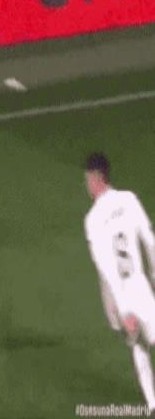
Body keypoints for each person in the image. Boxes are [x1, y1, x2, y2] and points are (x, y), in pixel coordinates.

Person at [84, 152, 155, 413]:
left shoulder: (92, 220)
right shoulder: (129, 199)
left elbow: (106, 270)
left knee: (138, 345)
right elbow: (150, 240)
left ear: (97, 178)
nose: (87, 185)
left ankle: (153, 403)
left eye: (88, 180)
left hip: (122, 292)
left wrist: (123, 311)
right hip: (141, 285)